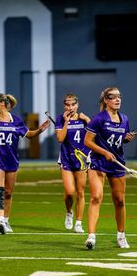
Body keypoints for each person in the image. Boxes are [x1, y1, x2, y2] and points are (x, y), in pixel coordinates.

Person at [0, 93, 50, 234]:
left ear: (2, 103)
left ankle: (6, 220)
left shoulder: (16, 120)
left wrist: (40, 129)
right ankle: (0, 221)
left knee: (9, 193)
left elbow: (29, 135)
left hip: (12, 160)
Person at [84, 87, 135, 249]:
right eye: (113, 97)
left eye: (119, 96)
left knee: (119, 201)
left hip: (117, 162)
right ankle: (91, 236)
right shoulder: (98, 119)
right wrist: (104, 152)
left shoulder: (124, 119)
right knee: (96, 197)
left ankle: (121, 235)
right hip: (98, 162)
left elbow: (118, 140)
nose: (117, 99)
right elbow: (87, 142)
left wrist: (126, 139)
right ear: (106, 100)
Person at [55, 93, 90, 233]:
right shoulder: (60, 119)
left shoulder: (84, 119)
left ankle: (79, 223)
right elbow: (60, 138)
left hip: (81, 159)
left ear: (77, 105)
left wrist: (87, 119)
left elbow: (96, 134)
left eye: (72, 105)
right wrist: (66, 122)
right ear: (64, 105)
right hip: (66, 159)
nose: (70, 107)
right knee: (70, 192)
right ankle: (69, 212)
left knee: (80, 192)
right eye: (67, 105)